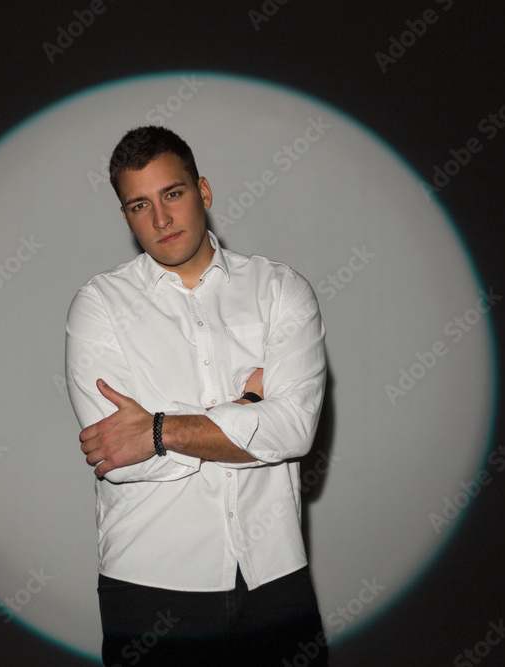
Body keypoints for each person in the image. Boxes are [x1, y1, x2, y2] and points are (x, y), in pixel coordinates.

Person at [64, 126, 329, 666]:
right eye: (140, 205)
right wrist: (251, 409)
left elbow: (295, 430)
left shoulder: (281, 290)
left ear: (203, 192)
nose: (160, 219)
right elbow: (120, 459)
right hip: (149, 583)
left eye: (173, 194)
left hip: (274, 579)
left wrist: (159, 430)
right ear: (126, 217)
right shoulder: (99, 306)